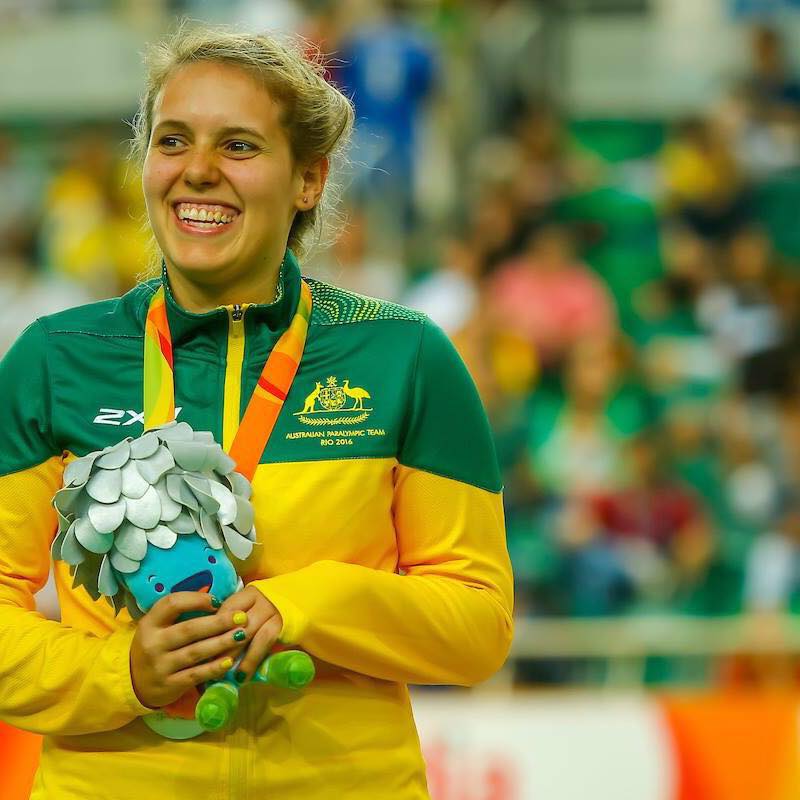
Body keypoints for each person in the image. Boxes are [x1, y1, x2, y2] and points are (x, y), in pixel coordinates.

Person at [0, 27, 513, 800]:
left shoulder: (403, 358)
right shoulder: (55, 359)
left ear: (308, 179)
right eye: (173, 141)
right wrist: (124, 671)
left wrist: (304, 603)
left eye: (238, 146)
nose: (198, 171)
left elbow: (478, 627)